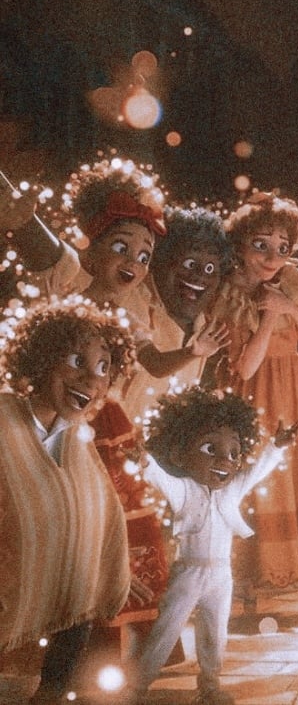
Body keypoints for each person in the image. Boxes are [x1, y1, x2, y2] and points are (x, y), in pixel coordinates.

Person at [0, 164, 231, 424]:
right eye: (121, 247)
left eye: (143, 257)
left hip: (80, 422)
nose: (133, 262)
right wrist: (23, 222)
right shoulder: (69, 288)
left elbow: (155, 364)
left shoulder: (123, 319)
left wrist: (193, 352)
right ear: (90, 254)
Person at [212, 191, 298, 621]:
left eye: (282, 247)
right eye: (261, 245)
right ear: (241, 246)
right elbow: (246, 366)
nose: (273, 257)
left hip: (293, 389)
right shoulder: (231, 295)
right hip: (253, 396)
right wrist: (270, 316)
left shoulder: (290, 286)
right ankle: (252, 581)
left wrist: (287, 305)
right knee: (258, 478)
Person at [0, 296, 131, 704]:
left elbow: (100, 508)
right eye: (76, 361)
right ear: (42, 360)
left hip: (70, 604)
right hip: (10, 599)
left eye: (103, 367)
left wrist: (110, 560)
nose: (92, 379)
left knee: (54, 691)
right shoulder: (4, 418)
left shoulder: (76, 434)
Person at [133, 386, 295, 704]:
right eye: (211, 449)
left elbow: (256, 471)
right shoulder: (183, 489)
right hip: (188, 572)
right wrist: (146, 462)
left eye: (234, 453)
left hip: (222, 574)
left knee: (216, 631)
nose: (225, 460)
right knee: (167, 627)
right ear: (180, 454)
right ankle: (137, 686)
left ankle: (209, 685)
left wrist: (275, 446)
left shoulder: (232, 490)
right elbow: (160, 478)